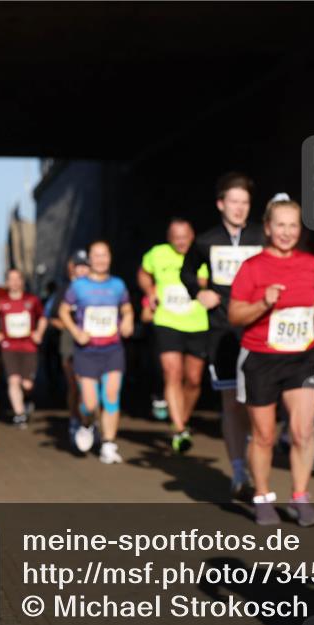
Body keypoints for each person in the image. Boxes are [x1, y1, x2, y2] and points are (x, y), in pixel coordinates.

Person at [229, 195, 314, 526]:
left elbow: (311, 298)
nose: (286, 232)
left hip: (302, 356)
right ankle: (262, 497)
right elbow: (234, 314)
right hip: (261, 358)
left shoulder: (309, 262)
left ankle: (300, 497)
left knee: (302, 431)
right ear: (268, 228)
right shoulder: (253, 267)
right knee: (264, 436)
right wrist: (263, 302)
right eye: (280, 225)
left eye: (292, 226)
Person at [181, 173, 265, 494]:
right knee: (231, 403)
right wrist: (198, 293)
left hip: (259, 329)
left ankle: (258, 464)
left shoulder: (262, 236)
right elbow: (187, 272)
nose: (239, 208)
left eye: (245, 202)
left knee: (258, 402)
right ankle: (238, 470)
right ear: (221, 204)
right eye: (233, 202)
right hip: (222, 330)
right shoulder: (206, 241)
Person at [138, 218, 217, 452]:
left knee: (193, 379)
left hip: (197, 322)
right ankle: (180, 430)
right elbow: (143, 273)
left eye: (185, 237)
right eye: (176, 238)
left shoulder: (202, 253)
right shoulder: (157, 254)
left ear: (193, 237)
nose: (181, 242)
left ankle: (181, 418)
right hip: (167, 320)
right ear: (169, 238)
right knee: (173, 372)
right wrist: (149, 291)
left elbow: (210, 282)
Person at [59, 240, 134, 464]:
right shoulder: (79, 286)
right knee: (90, 404)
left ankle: (108, 444)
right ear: (90, 259)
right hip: (87, 351)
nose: (101, 260)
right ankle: (86, 424)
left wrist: (128, 320)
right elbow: (63, 311)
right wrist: (76, 332)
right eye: (96, 255)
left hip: (112, 349)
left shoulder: (118, 285)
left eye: (104, 255)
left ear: (110, 258)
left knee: (111, 396)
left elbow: (126, 307)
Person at [0, 269, 47, 428]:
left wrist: (39, 333)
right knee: (13, 380)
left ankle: (27, 398)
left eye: (18, 279)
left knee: (27, 384)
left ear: (22, 281)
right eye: (11, 279)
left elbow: (42, 317)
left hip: (28, 346)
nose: (15, 282)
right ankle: (19, 414)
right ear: (7, 282)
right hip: (9, 346)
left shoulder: (32, 300)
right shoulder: (1, 302)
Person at [48, 250, 90, 440]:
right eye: (78, 266)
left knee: (88, 384)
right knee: (74, 384)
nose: (82, 270)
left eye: (85, 266)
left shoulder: (98, 287)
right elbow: (53, 317)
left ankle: (89, 422)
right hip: (69, 340)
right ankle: (75, 419)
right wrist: (71, 327)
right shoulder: (65, 289)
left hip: (93, 339)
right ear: (72, 268)